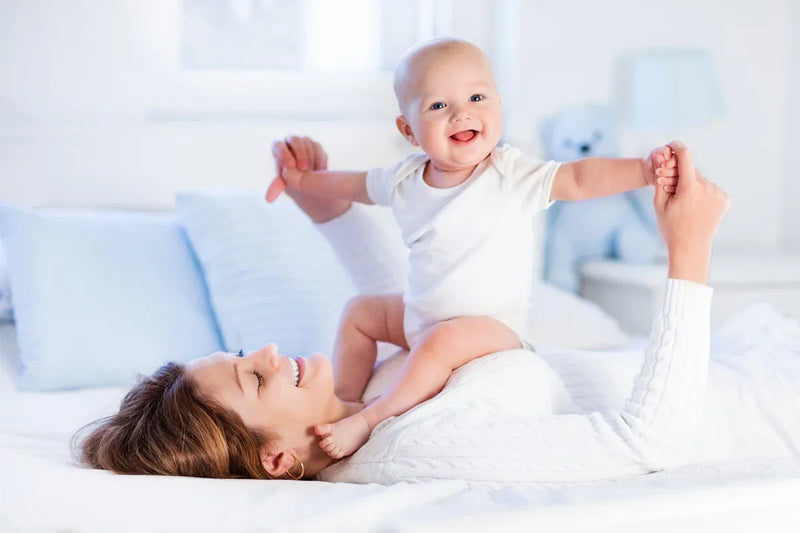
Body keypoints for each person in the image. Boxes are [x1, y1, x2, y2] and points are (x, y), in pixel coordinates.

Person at [77, 137, 749, 485]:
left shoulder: (345, 404)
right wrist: (687, 254)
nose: (271, 354)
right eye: (254, 377)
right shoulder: (411, 448)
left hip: (738, 375)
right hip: (744, 415)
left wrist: (324, 200)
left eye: (247, 354)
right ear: (276, 460)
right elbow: (650, 442)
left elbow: (416, 300)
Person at [263, 38, 681, 459]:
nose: (462, 112)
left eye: (476, 97)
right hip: (419, 316)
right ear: (408, 130)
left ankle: (369, 418)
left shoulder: (509, 174)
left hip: (490, 329)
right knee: (361, 312)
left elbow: (579, 179)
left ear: (499, 104)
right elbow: (352, 185)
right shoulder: (402, 180)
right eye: (438, 106)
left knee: (439, 343)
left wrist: (643, 170)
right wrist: (303, 182)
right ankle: (344, 400)